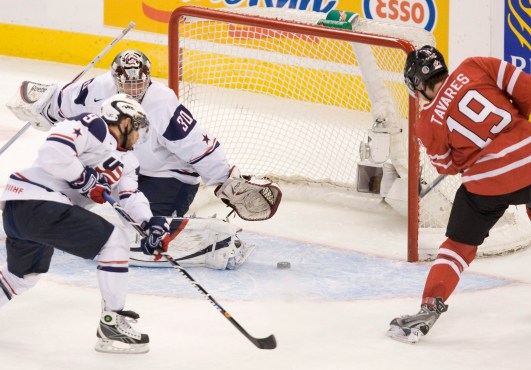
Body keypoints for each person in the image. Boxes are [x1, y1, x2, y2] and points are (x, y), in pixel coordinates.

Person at [7, 49, 281, 270]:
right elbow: (65, 100)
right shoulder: (100, 87)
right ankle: (44, 215)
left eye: (139, 83)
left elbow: (197, 144)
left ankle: (213, 243)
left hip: (168, 177)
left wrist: (224, 179)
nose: (133, 89)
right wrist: (44, 108)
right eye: (127, 83)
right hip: (123, 163)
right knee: (71, 180)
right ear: (115, 79)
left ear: (148, 78)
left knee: (147, 236)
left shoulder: (162, 104)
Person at [0, 94, 172, 354]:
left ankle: (112, 323)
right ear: (124, 122)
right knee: (115, 242)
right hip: (38, 201)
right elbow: (52, 152)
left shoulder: (128, 163)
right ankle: (112, 323)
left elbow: (129, 197)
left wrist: (150, 224)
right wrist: (84, 179)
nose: (138, 136)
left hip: (27, 212)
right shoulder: (94, 125)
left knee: (21, 276)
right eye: (136, 127)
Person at [387, 45, 531, 344]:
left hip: (486, 186)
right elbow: (527, 93)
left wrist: (473, 155)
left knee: (458, 246)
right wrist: (513, 129)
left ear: (420, 85)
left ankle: (430, 306)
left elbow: (448, 167)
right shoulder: (477, 65)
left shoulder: (427, 123)